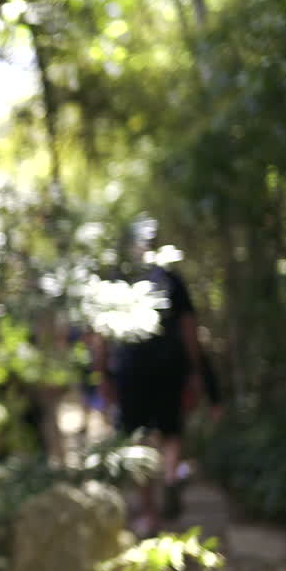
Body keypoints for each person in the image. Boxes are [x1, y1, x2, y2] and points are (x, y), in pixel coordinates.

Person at [101, 216, 204, 536]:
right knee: (171, 430)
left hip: (130, 369)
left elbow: (101, 333)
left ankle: (149, 514)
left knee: (138, 439)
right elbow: (189, 328)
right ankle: (170, 476)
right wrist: (195, 368)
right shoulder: (172, 279)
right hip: (169, 365)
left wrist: (101, 373)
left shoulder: (117, 281)